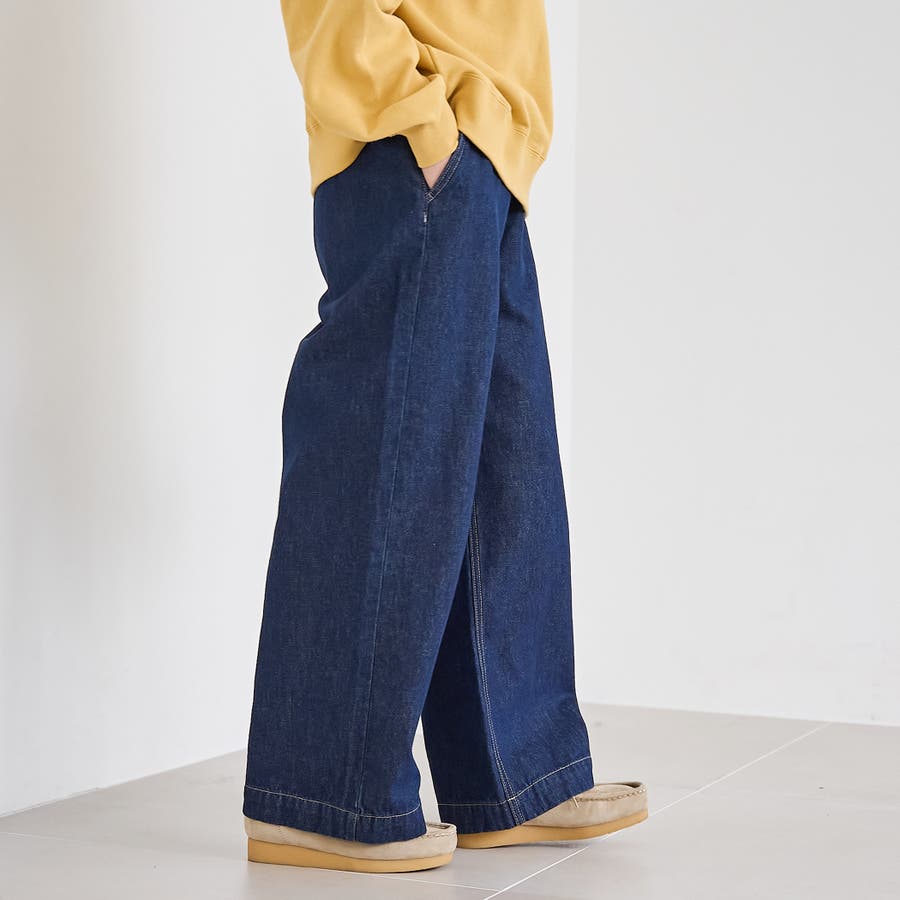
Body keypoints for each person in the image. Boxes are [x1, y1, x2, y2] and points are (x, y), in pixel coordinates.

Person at [242, 0, 647, 873]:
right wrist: (419, 118)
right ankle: (323, 795)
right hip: (413, 142)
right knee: (386, 463)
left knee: (506, 468)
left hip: (482, 149)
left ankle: (513, 777)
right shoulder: (420, 132)